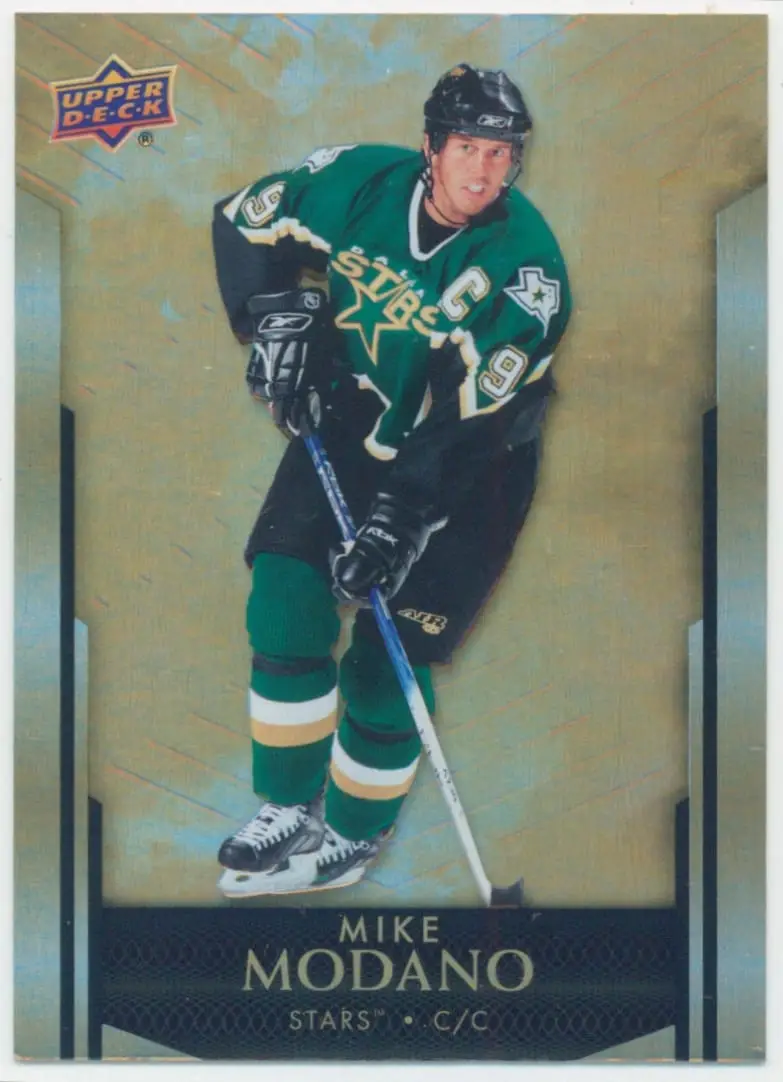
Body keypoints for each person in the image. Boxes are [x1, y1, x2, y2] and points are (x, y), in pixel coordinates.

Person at [211, 63, 572, 898]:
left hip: (475, 469)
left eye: (501, 152)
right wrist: (272, 317)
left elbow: (474, 422)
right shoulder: (359, 182)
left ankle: (351, 833)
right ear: (430, 148)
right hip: (359, 414)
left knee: (384, 664)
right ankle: (286, 806)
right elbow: (240, 219)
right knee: (285, 597)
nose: (483, 170)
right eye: (467, 147)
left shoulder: (528, 273)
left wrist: (400, 520)